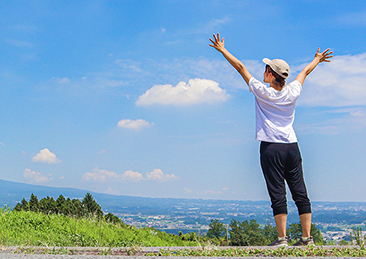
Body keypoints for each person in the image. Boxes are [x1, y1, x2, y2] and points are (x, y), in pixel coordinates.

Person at [209, 33, 333, 246]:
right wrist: (318, 60)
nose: (262, 72)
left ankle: (282, 239)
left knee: (278, 194)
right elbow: (305, 72)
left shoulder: (261, 92)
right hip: (292, 147)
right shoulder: (293, 91)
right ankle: (307, 238)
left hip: (271, 149)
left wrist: (222, 50)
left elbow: (240, 67)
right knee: (300, 192)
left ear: (269, 73)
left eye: (265, 69)